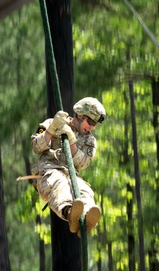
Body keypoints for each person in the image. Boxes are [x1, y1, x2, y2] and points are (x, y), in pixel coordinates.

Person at [29, 97, 106, 235]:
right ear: (80, 115)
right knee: (59, 183)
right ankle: (70, 212)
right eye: (90, 121)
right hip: (48, 171)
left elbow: (82, 163)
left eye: (94, 124)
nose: (91, 127)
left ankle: (87, 216)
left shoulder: (90, 141)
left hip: (71, 175)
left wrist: (71, 140)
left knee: (84, 190)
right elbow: (35, 146)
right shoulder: (50, 123)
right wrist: (51, 129)